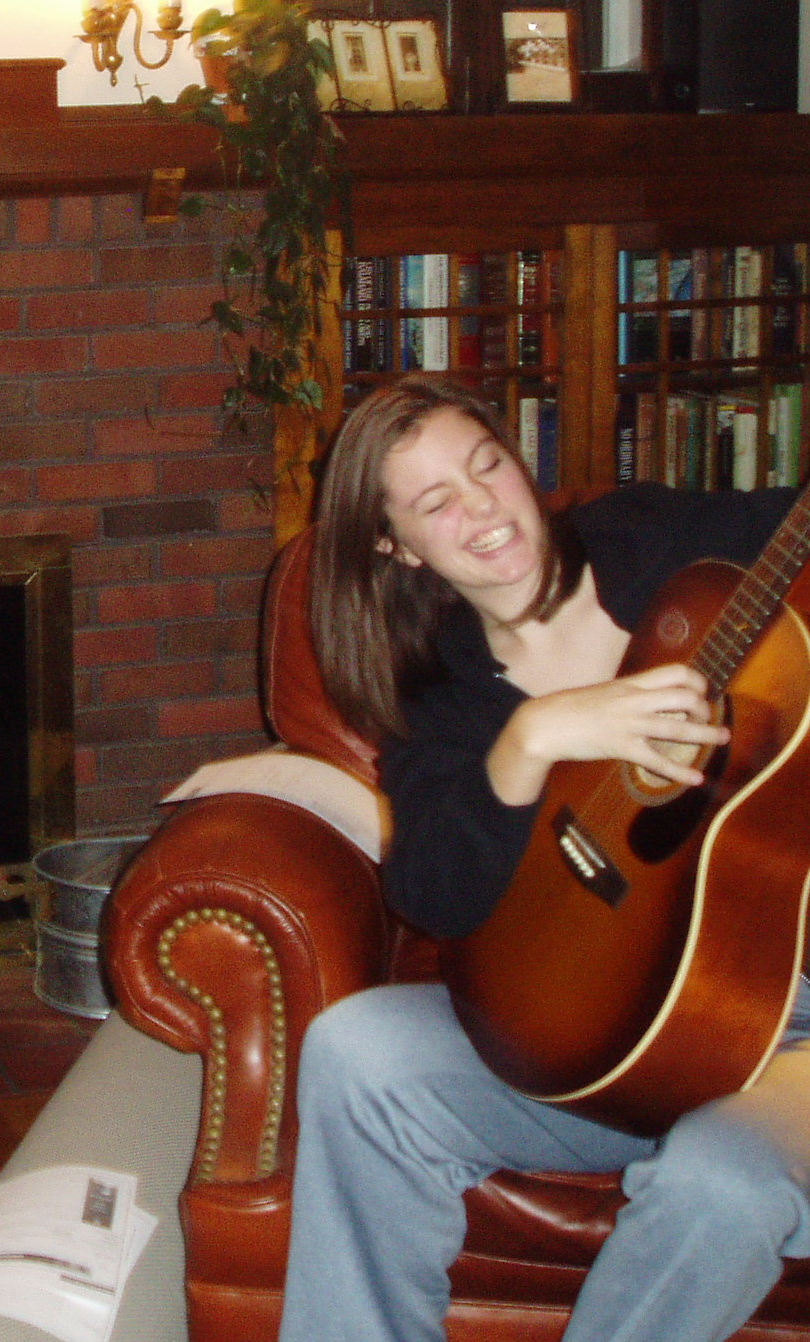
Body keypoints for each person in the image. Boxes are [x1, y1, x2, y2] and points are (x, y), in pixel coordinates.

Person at [281, 374, 810, 1342]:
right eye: (437, 501)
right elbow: (433, 891)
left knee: (720, 1179)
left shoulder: (659, 544)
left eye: (487, 465)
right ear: (397, 545)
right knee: (355, 1053)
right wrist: (531, 739)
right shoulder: (444, 690)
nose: (483, 507)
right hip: (603, 1036)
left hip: (788, 1018)